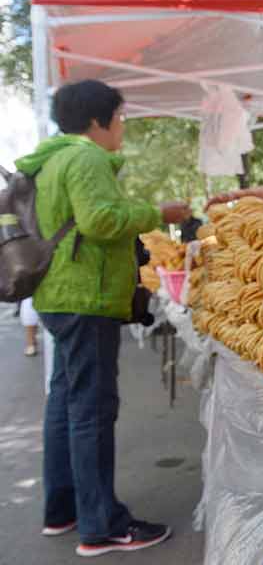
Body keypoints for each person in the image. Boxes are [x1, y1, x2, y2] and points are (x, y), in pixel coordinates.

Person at [15, 79, 191, 556]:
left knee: (64, 402)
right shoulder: (86, 157)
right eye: (120, 117)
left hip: (56, 295)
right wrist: (155, 212)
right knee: (92, 410)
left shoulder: (50, 158)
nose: (122, 126)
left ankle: (63, 509)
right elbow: (100, 220)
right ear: (98, 121)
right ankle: (102, 525)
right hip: (85, 298)